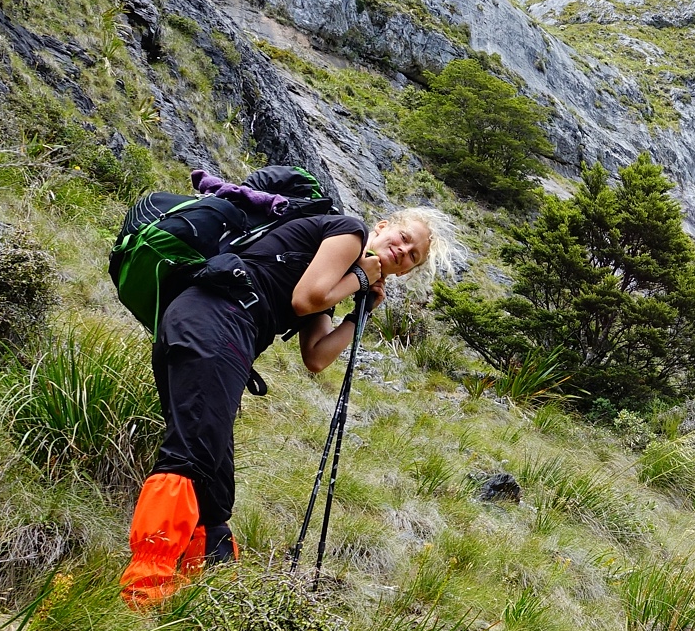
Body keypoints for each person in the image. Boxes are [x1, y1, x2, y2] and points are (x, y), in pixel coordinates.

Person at [119, 204, 451, 609]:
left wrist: (359, 314)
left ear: (405, 272)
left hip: (211, 326)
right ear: (382, 228)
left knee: (214, 479)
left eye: (413, 256)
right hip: (215, 320)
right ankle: (144, 592)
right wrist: (362, 277)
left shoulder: (337, 278)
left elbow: (316, 357)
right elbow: (304, 298)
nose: (403, 251)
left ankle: (203, 596)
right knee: (191, 456)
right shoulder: (348, 232)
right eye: (402, 238)